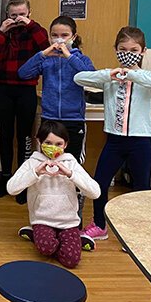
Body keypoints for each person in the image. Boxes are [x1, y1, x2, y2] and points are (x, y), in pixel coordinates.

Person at [74, 26, 151, 240]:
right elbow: (79, 78)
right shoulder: (110, 77)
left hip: (141, 142)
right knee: (99, 184)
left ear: (143, 51)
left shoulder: (146, 78)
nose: (127, 52)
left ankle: (136, 233)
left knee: (141, 189)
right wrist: (109, 75)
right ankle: (100, 225)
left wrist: (134, 75)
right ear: (115, 49)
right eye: (122, 48)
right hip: (114, 142)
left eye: (133, 49)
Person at [18, 15, 95, 222]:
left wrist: (69, 56)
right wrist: (43, 54)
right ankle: (43, 216)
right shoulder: (46, 58)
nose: (59, 40)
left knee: (73, 169)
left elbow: (90, 78)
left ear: (74, 36)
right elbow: (24, 73)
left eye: (64, 35)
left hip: (73, 121)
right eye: (54, 35)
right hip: (50, 120)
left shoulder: (80, 59)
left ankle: (74, 218)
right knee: (46, 167)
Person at [7, 121, 100, 268]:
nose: (53, 147)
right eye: (48, 143)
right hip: (42, 220)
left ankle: (75, 239)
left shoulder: (71, 163)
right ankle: (38, 235)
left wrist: (71, 175)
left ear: (65, 144)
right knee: (46, 248)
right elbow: (11, 189)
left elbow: (95, 192)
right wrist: (35, 173)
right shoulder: (32, 163)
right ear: (39, 141)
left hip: (68, 222)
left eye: (58, 144)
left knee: (72, 260)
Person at [0, 0, 49, 202]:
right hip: (4, 89)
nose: (17, 19)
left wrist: (30, 25)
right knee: (5, 135)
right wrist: (2, 33)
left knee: (24, 136)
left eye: (22, 14)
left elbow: (45, 47)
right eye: (13, 15)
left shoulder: (35, 31)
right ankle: (5, 178)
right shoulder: (1, 32)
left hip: (27, 90)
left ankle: (23, 181)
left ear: (29, 13)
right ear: (7, 15)